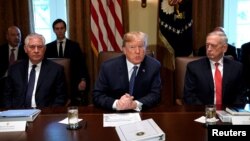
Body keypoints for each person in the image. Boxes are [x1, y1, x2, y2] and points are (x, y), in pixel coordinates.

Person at [93, 31, 161, 111]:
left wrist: (135, 104)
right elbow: (97, 95)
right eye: (132, 47)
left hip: (142, 113)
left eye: (141, 46)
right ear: (124, 50)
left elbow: (155, 95)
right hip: (114, 113)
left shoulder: (153, 66)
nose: (137, 51)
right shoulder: (108, 67)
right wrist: (117, 104)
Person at [3, 33, 67, 108]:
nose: (36, 51)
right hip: (18, 113)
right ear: (25, 49)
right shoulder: (14, 69)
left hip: (44, 113)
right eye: (32, 47)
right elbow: (6, 95)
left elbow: (61, 97)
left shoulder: (56, 70)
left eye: (40, 47)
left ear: (45, 49)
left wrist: (48, 113)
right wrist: (11, 113)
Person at [183, 30, 245, 105]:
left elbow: (240, 95)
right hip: (202, 112)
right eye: (207, 45)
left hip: (228, 112)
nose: (209, 49)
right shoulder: (194, 67)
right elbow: (189, 96)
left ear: (224, 48)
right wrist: (208, 111)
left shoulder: (237, 68)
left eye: (213, 45)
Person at [45, 19, 89, 106]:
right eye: (57, 29)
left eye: (62, 28)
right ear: (54, 30)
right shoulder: (48, 47)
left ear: (65, 29)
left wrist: (83, 80)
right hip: (54, 82)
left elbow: (82, 65)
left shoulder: (74, 46)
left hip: (73, 81)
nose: (60, 31)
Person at [0, 26, 28, 107]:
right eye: (13, 35)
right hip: (3, 81)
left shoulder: (26, 50)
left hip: (21, 81)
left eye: (18, 35)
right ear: (7, 37)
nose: (17, 37)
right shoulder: (1, 50)